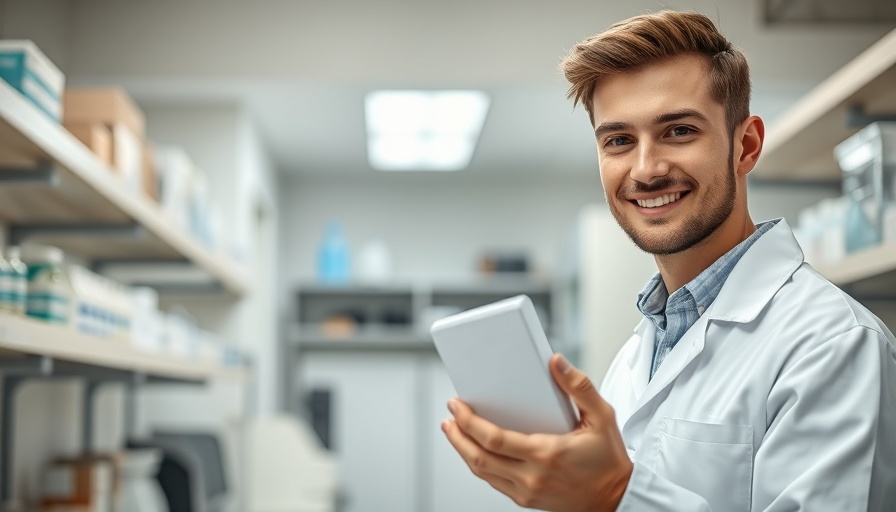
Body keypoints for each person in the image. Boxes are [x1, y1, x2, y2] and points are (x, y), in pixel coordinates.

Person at [440, 10, 896, 511]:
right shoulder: (640, 350)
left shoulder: (836, 346)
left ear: (746, 145)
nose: (646, 169)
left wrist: (616, 493)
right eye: (618, 141)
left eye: (678, 131)